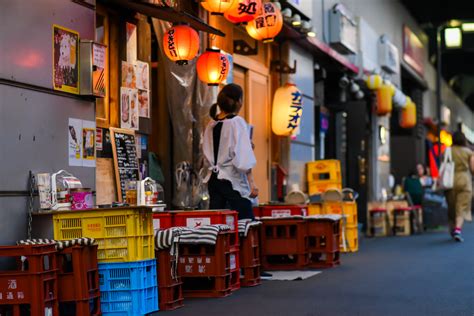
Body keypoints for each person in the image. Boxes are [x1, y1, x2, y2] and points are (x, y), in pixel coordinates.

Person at [203, 84, 258, 220]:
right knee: (245, 221)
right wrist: (252, 184)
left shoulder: (211, 125)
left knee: (219, 224)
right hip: (231, 180)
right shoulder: (236, 122)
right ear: (239, 101)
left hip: (213, 180)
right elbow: (243, 157)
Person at [444, 131, 474, 242]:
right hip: (464, 181)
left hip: (449, 182)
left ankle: (453, 228)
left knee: (452, 207)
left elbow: (443, 166)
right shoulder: (468, 152)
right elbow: (473, 169)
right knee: (461, 207)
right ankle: (457, 229)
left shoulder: (447, 151)